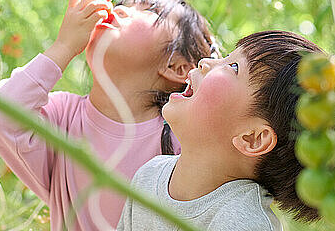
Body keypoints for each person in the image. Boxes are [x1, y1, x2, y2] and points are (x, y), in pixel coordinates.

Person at [0, 0, 218, 230]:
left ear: (176, 67)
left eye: (150, 11)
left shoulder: (183, 141)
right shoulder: (62, 118)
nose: (120, 9)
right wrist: (63, 47)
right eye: (122, 4)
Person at [117, 30, 324, 231]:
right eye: (226, 57)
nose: (204, 62)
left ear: (252, 138)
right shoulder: (149, 174)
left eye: (233, 67)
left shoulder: (245, 223)